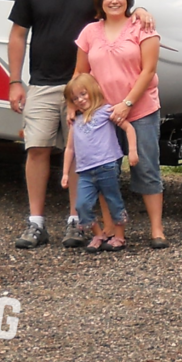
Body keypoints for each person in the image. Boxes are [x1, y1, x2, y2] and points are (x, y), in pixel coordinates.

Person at [7, 0, 154, 250]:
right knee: (37, 148)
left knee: (81, 155)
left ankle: (76, 221)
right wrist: (15, 81)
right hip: (43, 83)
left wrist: (141, 10)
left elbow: (120, 8)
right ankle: (36, 223)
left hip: (86, 89)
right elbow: (18, 34)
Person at [74, 0, 167, 249]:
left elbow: (148, 70)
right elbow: (81, 73)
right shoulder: (90, 32)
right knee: (104, 172)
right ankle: (113, 230)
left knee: (147, 169)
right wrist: (73, 106)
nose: (114, 1)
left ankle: (157, 230)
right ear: (100, 3)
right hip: (101, 115)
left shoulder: (142, 27)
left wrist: (126, 103)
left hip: (141, 109)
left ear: (128, 0)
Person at [61, 73, 137, 252]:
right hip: (85, 171)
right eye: (75, 98)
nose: (80, 100)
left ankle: (119, 236)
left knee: (113, 201)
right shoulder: (75, 122)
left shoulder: (106, 112)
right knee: (82, 205)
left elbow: (128, 128)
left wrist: (132, 151)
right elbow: (70, 149)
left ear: (93, 91)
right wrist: (65, 173)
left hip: (107, 166)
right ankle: (98, 233)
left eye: (83, 94)